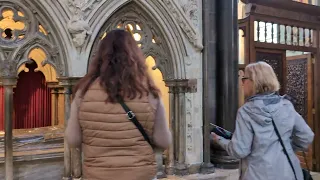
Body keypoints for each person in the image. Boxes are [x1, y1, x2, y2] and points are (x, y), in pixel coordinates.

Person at [65, 29, 172, 180]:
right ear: (134, 56)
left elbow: (72, 139)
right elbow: (163, 141)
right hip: (140, 175)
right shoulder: (148, 91)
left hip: (98, 175)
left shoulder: (84, 91)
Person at [212, 61, 314, 180]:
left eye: (244, 79)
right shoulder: (286, 105)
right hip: (288, 172)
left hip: (259, 174)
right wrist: (285, 147)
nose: (242, 83)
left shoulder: (246, 111)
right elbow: (306, 136)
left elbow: (240, 150)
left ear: (253, 82)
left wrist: (219, 139)